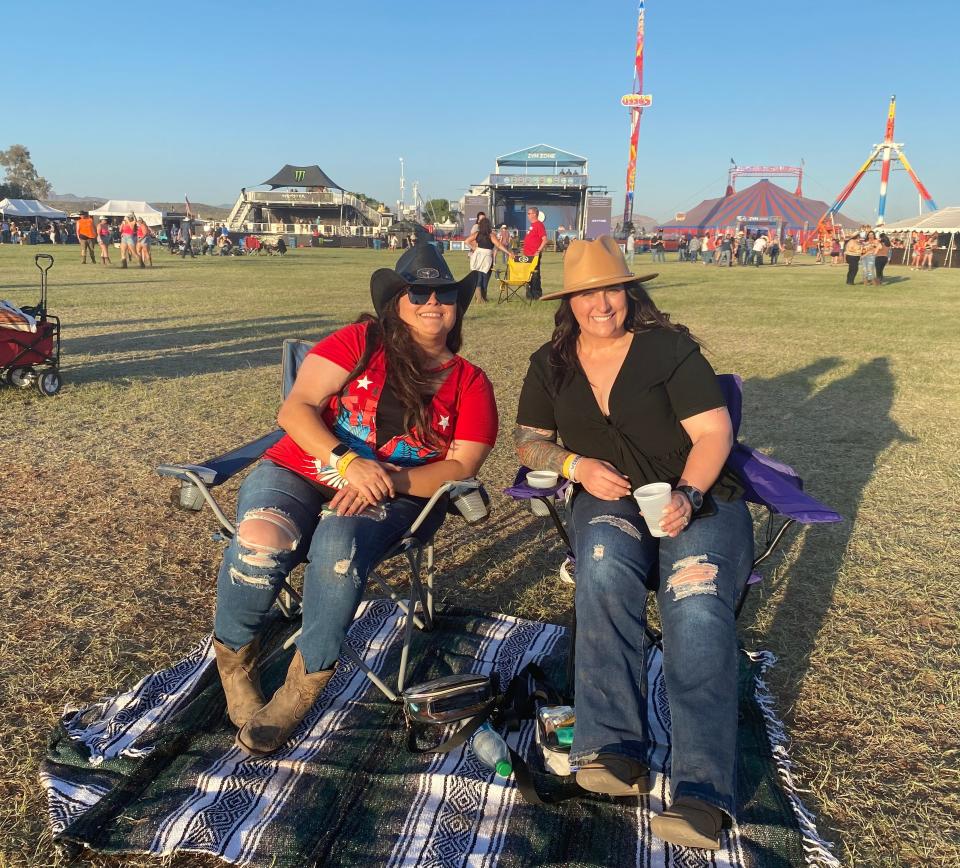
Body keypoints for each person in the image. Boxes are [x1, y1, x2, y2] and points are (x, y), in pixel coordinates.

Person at [211, 243, 498, 756]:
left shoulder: (471, 382)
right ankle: (236, 666)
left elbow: (461, 468)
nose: (433, 302)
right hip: (303, 468)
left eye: (445, 294)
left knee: (338, 546)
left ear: (458, 305)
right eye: (419, 292)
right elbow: (296, 409)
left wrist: (387, 481)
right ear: (397, 301)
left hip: (402, 494)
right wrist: (348, 462)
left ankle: (304, 684)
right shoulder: (359, 341)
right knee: (260, 536)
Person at [515, 236, 751, 849]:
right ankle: (612, 748)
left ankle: (702, 794)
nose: (602, 304)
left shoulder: (668, 351)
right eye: (588, 292)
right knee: (600, 569)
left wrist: (688, 496)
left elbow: (713, 432)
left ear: (630, 292)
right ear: (569, 301)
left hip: (700, 501)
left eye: (612, 289)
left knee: (694, 605)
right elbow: (529, 442)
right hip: (607, 502)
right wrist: (574, 466)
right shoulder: (551, 362)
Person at [466, 215, 513, 303]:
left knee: (478, 276)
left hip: (477, 255)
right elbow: (498, 245)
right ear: (488, 225)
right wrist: (508, 252)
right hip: (487, 256)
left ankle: (479, 297)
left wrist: (473, 248)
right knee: (485, 276)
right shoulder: (491, 235)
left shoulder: (477, 234)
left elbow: (467, 241)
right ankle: (482, 297)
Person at [523, 206, 548, 299]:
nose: (528, 215)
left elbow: (544, 240)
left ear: (534, 214)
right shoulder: (532, 225)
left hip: (534, 255)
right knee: (528, 275)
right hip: (527, 255)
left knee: (535, 275)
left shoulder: (539, 224)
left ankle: (536, 294)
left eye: (529, 213)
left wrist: (538, 251)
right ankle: (529, 294)